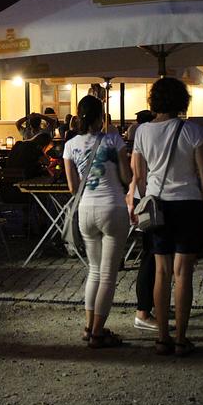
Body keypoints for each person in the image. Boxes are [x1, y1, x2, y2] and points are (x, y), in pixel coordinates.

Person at [131, 77, 203, 357]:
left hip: (157, 206)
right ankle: (181, 338)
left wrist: (142, 200)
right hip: (188, 204)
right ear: (182, 100)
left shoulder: (142, 131)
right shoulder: (194, 131)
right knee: (183, 273)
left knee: (161, 272)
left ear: (154, 100)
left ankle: (162, 337)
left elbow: (139, 176)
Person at [64, 95, 131, 349]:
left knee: (94, 270)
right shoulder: (113, 140)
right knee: (108, 275)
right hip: (113, 207)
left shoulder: (70, 145)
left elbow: (73, 188)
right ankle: (97, 333)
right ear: (100, 116)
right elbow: (126, 177)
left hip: (86, 209)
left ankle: (89, 327)